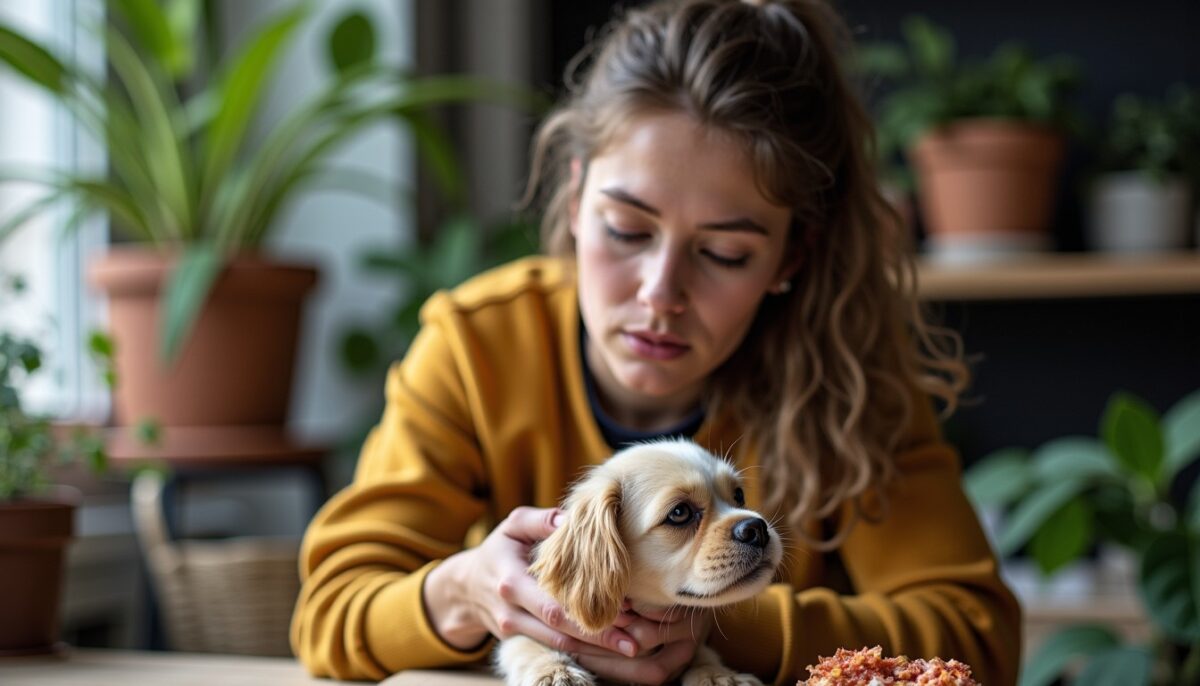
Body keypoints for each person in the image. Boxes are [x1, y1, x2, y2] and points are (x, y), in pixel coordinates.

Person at [290, 0, 1022, 684]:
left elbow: (977, 636)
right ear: (576, 201)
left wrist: (716, 622)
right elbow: (329, 612)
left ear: (789, 259)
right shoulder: (479, 344)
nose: (658, 294)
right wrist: (464, 592)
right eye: (627, 231)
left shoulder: (849, 376)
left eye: (725, 254)